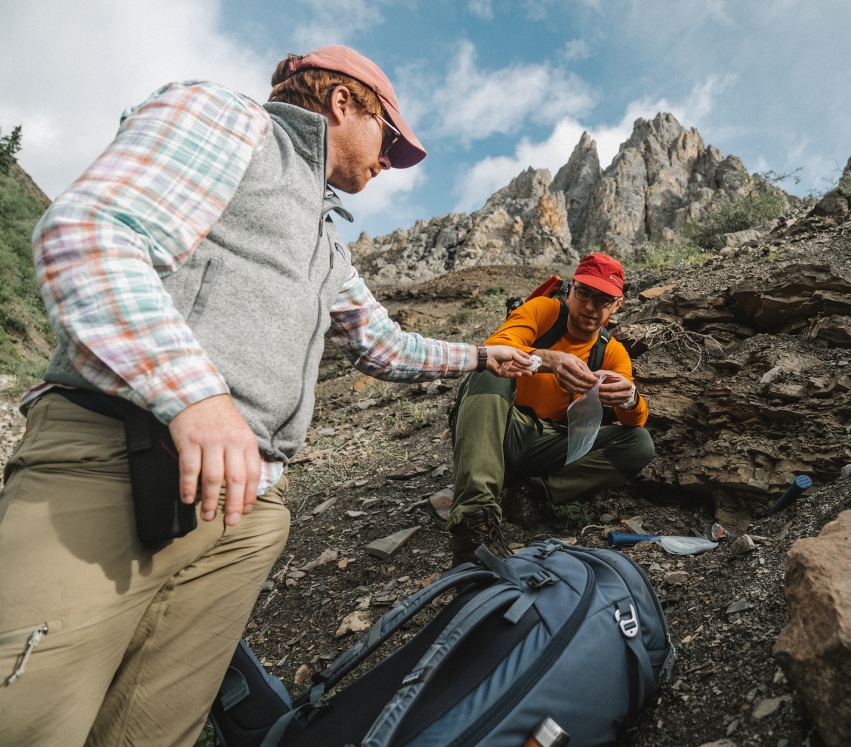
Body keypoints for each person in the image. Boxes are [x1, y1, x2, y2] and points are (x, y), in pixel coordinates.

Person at [0, 45, 533, 746]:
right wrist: (195, 396)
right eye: (391, 139)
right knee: (26, 714)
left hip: (245, 518)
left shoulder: (326, 240)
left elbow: (384, 345)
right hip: (117, 465)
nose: (389, 160)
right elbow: (90, 232)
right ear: (344, 102)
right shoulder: (227, 119)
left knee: (152, 731)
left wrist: (487, 354)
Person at [446, 253, 655, 565]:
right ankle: (474, 524)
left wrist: (628, 398)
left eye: (603, 300)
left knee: (639, 444)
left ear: (617, 306)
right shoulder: (543, 311)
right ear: (571, 290)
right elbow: (494, 349)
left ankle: (531, 491)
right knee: (489, 373)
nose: (589, 307)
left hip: (550, 446)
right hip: (500, 430)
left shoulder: (611, 352)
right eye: (584, 293)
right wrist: (549, 360)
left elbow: (635, 419)